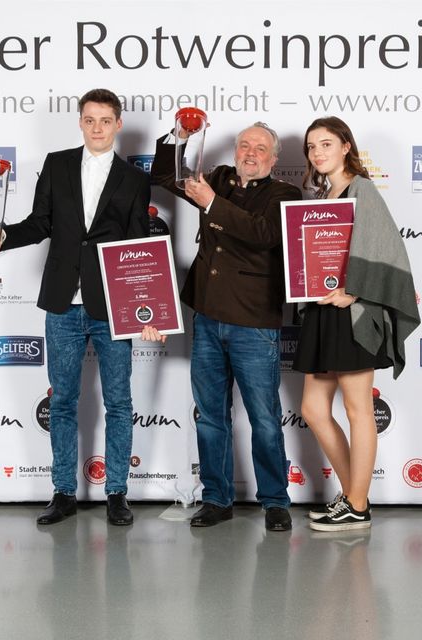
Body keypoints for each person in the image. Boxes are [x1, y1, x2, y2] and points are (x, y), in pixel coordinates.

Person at [0, 88, 154, 526]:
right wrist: (0, 238)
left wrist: (148, 309)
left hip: (112, 306)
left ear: (118, 124)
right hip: (62, 303)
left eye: (105, 120)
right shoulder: (56, 164)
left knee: (118, 401)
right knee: (62, 402)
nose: (97, 128)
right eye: (89, 120)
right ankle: (63, 492)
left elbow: (139, 246)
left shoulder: (134, 179)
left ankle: (116, 493)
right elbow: (40, 223)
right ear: (80, 122)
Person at [149, 121, 302, 531]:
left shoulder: (285, 194)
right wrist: (179, 137)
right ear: (235, 151)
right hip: (208, 317)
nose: (251, 153)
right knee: (211, 416)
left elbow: (264, 234)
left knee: (264, 418)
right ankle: (216, 498)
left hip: (254, 322)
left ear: (274, 158)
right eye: (244, 145)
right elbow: (163, 175)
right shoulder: (217, 178)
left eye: (260, 148)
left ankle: (275, 501)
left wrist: (213, 203)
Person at [295, 116, 420, 532]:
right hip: (321, 311)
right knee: (313, 409)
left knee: (357, 408)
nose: (317, 153)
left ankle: (357, 504)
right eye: (311, 146)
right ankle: (353, 497)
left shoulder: (361, 189)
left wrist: (355, 291)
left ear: (346, 146)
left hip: (352, 313)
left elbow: (388, 250)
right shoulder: (322, 195)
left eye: (326, 144)